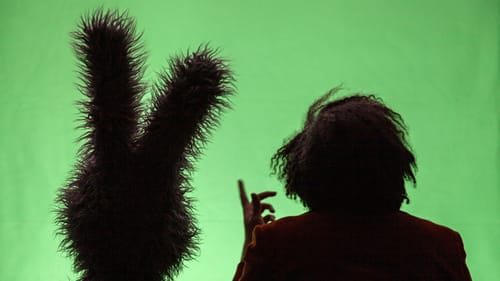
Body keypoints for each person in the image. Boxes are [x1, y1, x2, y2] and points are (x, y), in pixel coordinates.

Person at [233, 88, 472, 281]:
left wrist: (250, 242)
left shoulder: (277, 242)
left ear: (308, 169)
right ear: (394, 164)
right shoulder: (441, 245)